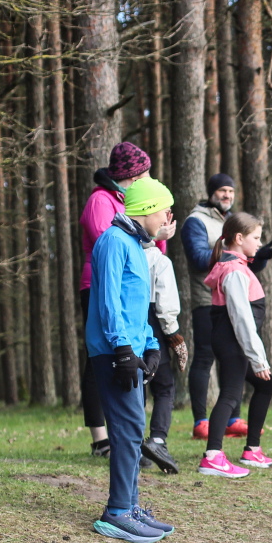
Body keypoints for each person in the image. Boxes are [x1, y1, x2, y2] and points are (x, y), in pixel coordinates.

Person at [85, 177, 178, 543]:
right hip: (112, 351)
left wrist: (151, 344)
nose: (168, 215)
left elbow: (137, 307)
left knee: (134, 426)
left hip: (130, 349)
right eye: (163, 208)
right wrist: (123, 349)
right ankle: (117, 511)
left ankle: (131, 504)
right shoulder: (113, 241)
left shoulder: (137, 246)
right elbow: (108, 301)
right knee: (126, 430)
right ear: (145, 209)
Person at [79, 142, 174, 458]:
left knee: (133, 359)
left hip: (133, 289)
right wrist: (152, 236)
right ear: (129, 176)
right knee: (103, 363)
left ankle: (130, 439)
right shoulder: (101, 201)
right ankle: (102, 439)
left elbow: (141, 246)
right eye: (142, 175)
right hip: (101, 288)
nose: (147, 180)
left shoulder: (134, 204)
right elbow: (107, 242)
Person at [181, 174, 272, 441]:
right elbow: (200, 259)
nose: (227, 195)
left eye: (231, 191)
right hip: (207, 300)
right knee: (204, 357)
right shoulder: (195, 221)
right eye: (222, 190)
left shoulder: (232, 220)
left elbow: (243, 266)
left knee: (233, 362)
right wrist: (228, 250)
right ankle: (201, 421)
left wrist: (259, 257)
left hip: (234, 297)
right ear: (212, 192)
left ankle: (233, 419)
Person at [197, 213, 272, 478]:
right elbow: (241, 318)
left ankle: (252, 449)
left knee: (265, 384)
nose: (259, 243)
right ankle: (213, 457)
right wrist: (258, 359)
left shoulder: (237, 265)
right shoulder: (233, 271)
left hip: (233, 340)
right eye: (256, 238)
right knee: (231, 394)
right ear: (239, 239)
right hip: (233, 341)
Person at [139, 234, 185, 475]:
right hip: (154, 324)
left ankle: (134, 445)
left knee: (137, 384)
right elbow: (165, 305)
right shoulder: (159, 260)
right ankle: (157, 441)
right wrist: (174, 336)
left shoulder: (123, 253)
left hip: (129, 323)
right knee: (164, 387)